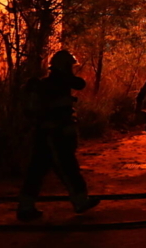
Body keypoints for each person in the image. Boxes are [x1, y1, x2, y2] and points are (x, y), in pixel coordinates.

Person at [17, 50, 99, 222]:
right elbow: (79, 83)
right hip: (54, 134)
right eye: (69, 66)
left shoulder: (53, 82)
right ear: (63, 66)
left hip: (48, 133)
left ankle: (26, 206)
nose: (71, 69)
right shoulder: (56, 82)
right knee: (67, 167)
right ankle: (80, 200)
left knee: (37, 170)